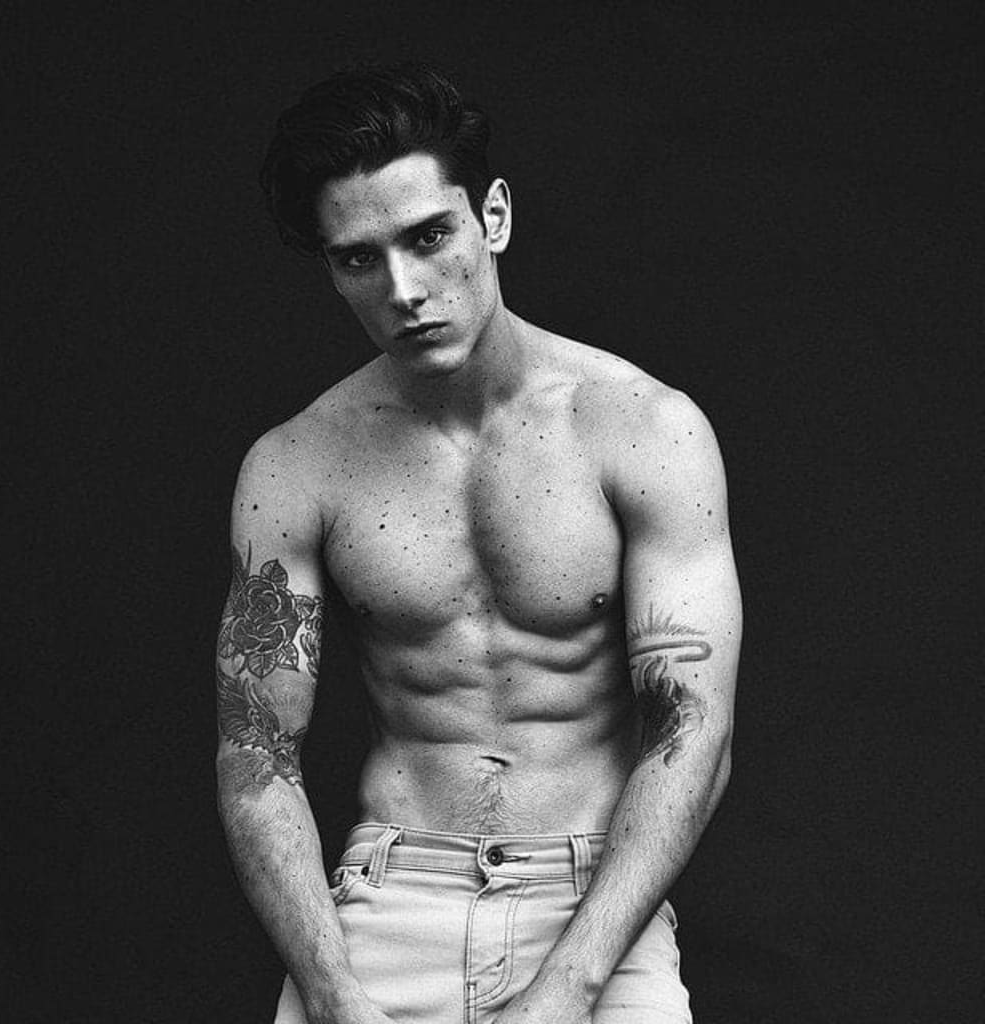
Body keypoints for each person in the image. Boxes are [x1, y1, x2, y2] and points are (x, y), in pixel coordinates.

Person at [216, 62, 741, 1024]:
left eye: (429, 237)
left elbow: (693, 732)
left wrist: (572, 986)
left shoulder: (643, 429)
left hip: (594, 906)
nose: (404, 290)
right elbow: (257, 755)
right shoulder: (296, 465)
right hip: (387, 904)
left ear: (491, 217)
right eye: (359, 259)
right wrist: (331, 994)